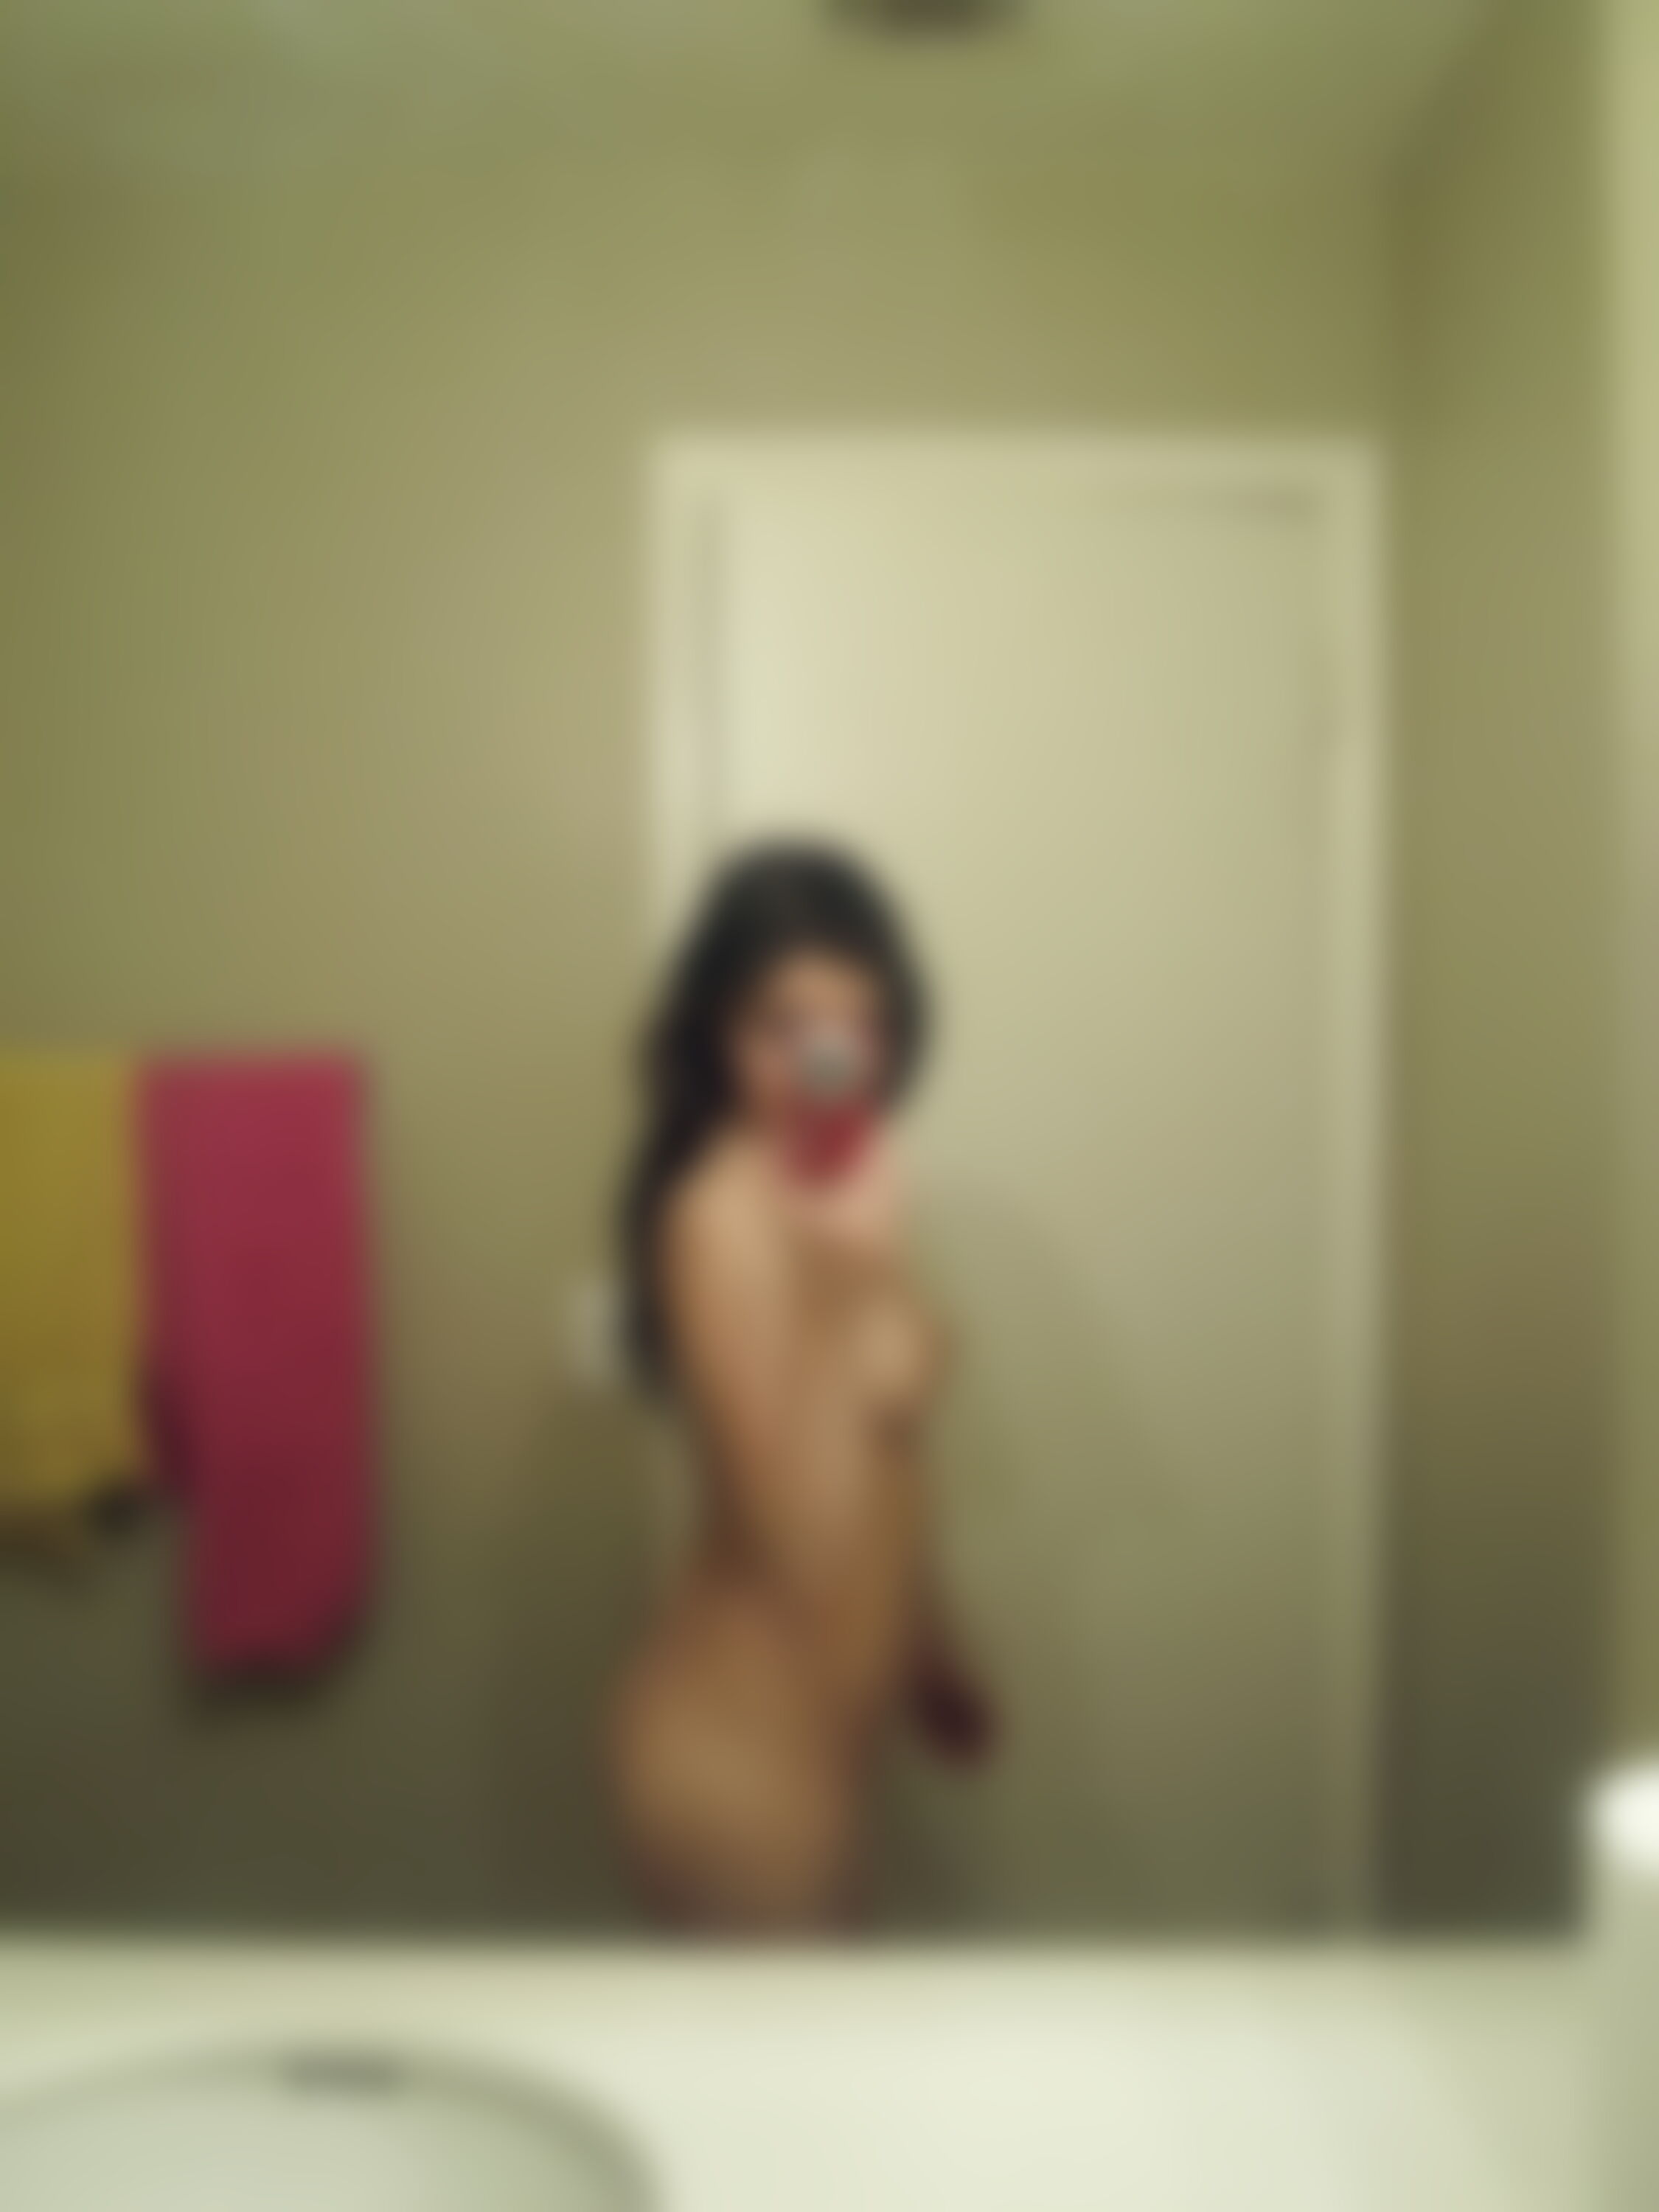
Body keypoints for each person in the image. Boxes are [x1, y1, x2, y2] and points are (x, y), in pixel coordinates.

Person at [607, 841, 994, 1933]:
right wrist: (849, 1301)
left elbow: (879, 1468)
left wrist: (931, 1644)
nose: (827, 1058)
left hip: (824, 1747)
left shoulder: (843, 1204)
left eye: (860, 1024)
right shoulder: (716, 1217)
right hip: (732, 1763)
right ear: (715, 1035)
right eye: (781, 1026)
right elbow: (792, 1547)